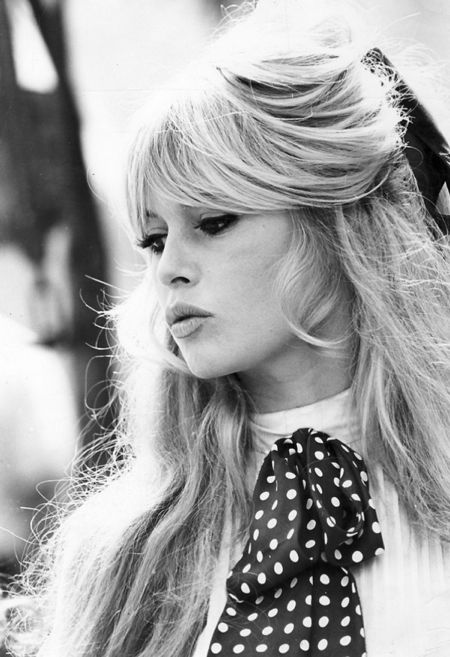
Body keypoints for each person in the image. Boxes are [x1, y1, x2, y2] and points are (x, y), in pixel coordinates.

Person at [5, 1, 450, 655]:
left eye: (213, 222)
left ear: (336, 219)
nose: (169, 269)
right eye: (154, 239)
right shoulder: (125, 551)